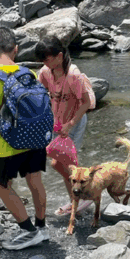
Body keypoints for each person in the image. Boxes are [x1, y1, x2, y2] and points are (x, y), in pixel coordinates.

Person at [0, 27, 48, 250]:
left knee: (0, 184)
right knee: (34, 180)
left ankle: (29, 231)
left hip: (10, 145)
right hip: (36, 139)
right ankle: (42, 227)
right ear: (16, 50)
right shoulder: (29, 74)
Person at [35, 35, 96, 216]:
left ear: (60, 56)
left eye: (47, 59)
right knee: (64, 165)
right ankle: (77, 200)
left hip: (74, 123)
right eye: (42, 60)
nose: (44, 63)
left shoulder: (73, 76)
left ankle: (81, 198)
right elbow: (39, 92)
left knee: (59, 163)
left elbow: (85, 103)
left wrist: (70, 124)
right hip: (57, 123)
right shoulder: (46, 72)